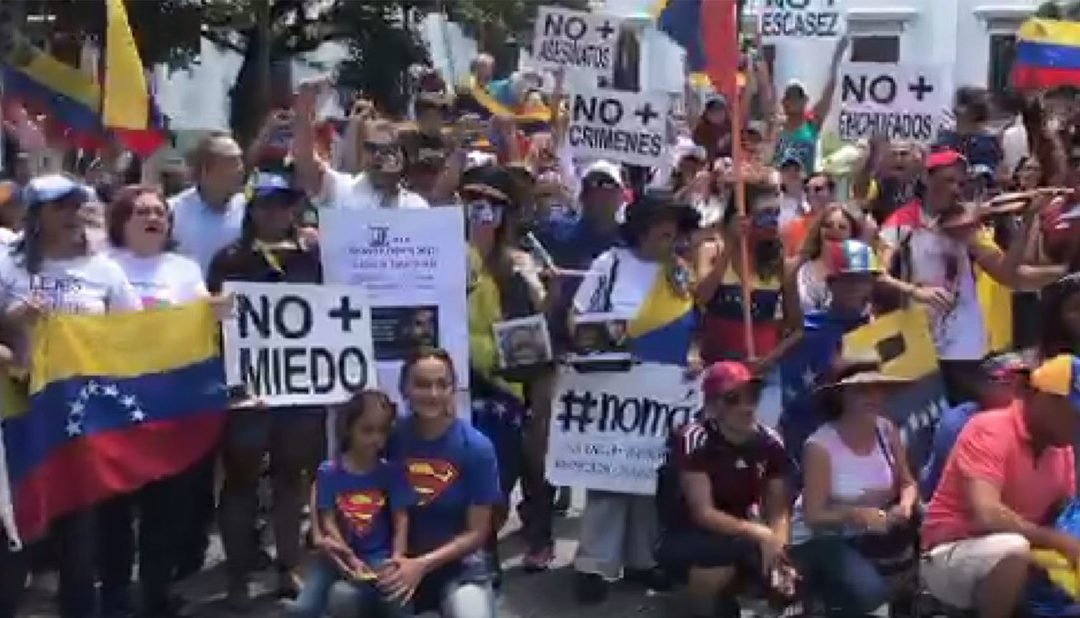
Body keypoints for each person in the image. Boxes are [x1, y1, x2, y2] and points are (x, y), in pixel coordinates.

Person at [0, 174, 141, 618]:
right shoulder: (5, 263)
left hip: (80, 422)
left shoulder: (105, 272)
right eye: (59, 205)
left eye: (76, 204)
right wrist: (10, 323)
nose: (72, 213)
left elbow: (134, 337)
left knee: (79, 540)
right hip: (15, 417)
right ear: (34, 215)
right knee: (14, 532)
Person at [569, 189, 701, 603]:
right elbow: (577, 318)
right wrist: (601, 337)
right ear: (643, 228)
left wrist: (694, 357)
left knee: (648, 476)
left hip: (662, 393)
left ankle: (642, 559)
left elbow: (690, 325)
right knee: (608, 476)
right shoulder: (609, 265)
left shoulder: (679, 272)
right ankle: (593, 563)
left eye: (676, 225)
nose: (671, 233)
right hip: (615, 387)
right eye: (665, 223)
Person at [97, 184, 221, 617]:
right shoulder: (101, 266)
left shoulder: (184, 269)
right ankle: (113, 592)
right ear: (121, 221)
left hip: (169, 409)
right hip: (112, 408)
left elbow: (201, 321)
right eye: (142, 211)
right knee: (113, 509)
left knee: (165, 508)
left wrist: (216, 310)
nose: (154, 218)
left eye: (160, 212)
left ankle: (155, 592)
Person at [207, 171, 326, 609]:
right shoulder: (230, 260)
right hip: (247, 391)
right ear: (251, 209)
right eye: (268, 203)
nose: (277, 212)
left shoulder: (311, 256)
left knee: (291, 480)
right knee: (240, 483)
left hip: (299, 391)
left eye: (285, 203)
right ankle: (237, 575)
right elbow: (215, 325)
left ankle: (288, 568)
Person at [921, 354, 1080, 618]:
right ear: (1043, 397)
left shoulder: (1061, 447)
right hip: (951, 553)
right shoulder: (990, 428)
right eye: (1074, 413)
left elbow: (1063, 512)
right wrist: (1060, 542)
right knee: (1011, 548)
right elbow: (988, 514)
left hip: (1025, 555)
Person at [656, 361, 793, 618]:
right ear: (713, 406)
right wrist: (761, 534)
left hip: (745, 530)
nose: (746, 406)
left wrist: (779, 548)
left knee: (794, 574)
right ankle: (690, 602)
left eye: (752, 396)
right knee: (715, 563)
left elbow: (778, 507)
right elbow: (703, 513)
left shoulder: (771, 442)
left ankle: (733, 594)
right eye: (733, 399)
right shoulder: (695, 438)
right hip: (690, 532)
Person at [462, 164, 546, 582]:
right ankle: (475, 555)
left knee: (499, 479)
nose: (482, 213)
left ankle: (486, 544)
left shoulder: (522, 263)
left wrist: (538, 289)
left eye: (492, 207)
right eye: (473, 204)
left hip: (504, 386)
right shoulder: (443, 255)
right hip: (454, 384)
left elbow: (538, 322)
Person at [790, 351, 920, 617]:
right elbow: (814, 516)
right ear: (841, 396)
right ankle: (822, 600)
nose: (872, 397)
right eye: (861, 390)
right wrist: (855, 515)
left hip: (875, 529)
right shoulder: (820, 446)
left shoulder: (887, 429)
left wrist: (905, 506)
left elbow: (908, 483)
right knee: (870, 592)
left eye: (877, 389)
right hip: (823, 537)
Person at [378, 348, 501, 618]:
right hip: (399, 560)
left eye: (441, 384)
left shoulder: (477, 448)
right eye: (422, 384)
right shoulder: (390, 437)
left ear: (453, 389)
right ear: (404, 388)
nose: (432, 394)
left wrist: (421, 565)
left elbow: (477, 533)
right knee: (344, 599)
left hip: (460, 568)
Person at [287, 390, 416, 618]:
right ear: (349, 429)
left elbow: (401, 517)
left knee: (399, 601)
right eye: (367, 430)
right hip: (336, 556)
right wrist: (348, 556)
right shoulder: (330, 472)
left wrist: (398, 557)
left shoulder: (391, 472)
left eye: (382, 431)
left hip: (379, 555)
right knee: (303, 609)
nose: (376, 438)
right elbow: (327, 518)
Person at [293, 79, 428, 211]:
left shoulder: (416, 206)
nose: (378, 156)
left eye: (388, 149)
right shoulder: (340, 188)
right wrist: (304, 109)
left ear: (403, 157)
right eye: (371, 147)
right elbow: (304, 161)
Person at [919, 353, 1029, 501]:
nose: (1018, 392)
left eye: (1024, 384)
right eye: (1009, 382)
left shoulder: (1025, 419)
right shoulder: (958, 423)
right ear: (984, 386)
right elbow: (969, 491)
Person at [167, 132, 247, 274]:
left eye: (240, 161)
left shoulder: (249, 209)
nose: (241, 169)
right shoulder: (173, 211)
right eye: (232, 162)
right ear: (205, 170)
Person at [773, 37, 847, 172]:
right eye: (789, 98)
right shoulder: (777, 126)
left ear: (805, 100)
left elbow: (829, 89)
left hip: (805, 186)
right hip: (780, 186)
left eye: (797, 97)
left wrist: (837, 58)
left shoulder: (812, 123)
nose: (793, 102)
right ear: (783, 102)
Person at [791, 203, 864, 313]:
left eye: (842, 227)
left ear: (851, 235)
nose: (834, 230)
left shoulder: (860, 272)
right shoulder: (801, 269)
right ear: (819, 231)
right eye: (828, 225)